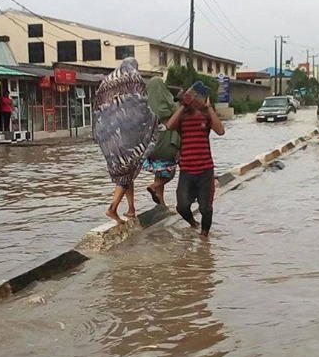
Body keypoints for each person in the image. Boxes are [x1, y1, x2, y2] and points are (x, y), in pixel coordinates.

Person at [93, 58, 157, 224]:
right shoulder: (134, 78)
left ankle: (131, 209)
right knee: (126, 170)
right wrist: (152, 120)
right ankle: (112, 208)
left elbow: (98, 108)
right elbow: (141, 104)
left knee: (128, 172)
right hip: (127, 134)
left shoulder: (107, 82)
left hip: (108, 135)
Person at [166, 90, 225, 237]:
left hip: (205, 170)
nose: (183, 102)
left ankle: (204, 239)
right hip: (186, 170)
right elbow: (169, 126)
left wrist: (209, 108)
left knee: (206, 208)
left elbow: (220, 131)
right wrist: (182, 107)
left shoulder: (206, 116)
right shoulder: (182, 118)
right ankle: (193, 223)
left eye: (185, 100)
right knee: (182, 206)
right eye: (181, 101)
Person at [142, 76, 180, 205]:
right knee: (170, 172)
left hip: (152, 146)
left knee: (159, 171)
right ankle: (154, 186)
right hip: (168, 143)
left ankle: (161, 202)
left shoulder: (145, 106)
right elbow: (179, 112)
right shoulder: (167, 102)